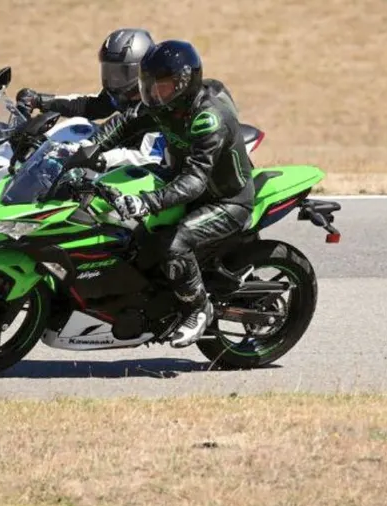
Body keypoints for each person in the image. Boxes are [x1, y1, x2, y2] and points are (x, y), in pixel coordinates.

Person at [74, 39, 255, 348]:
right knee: (127, 230)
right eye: (150, 85)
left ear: (185, 83)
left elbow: (195, 182)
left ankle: (198, 308)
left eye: (164, 86)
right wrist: (82, 153)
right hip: (180, 181)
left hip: (225, 200)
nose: (155, 93)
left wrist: (145, 202)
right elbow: (124, 122)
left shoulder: (207, 119)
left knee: (175, 244)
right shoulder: (164, 106)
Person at [16, 28, 168, 172]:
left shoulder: (160, 101)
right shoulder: (123, 94)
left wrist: (101, 158)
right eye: (109, 70)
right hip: (122, 154)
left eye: (121, 72)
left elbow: (149, 155)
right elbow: (89, 105)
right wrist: (40, 100)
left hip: (152, 171)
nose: (113, 78)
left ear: (141, 70)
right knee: (77, 128)